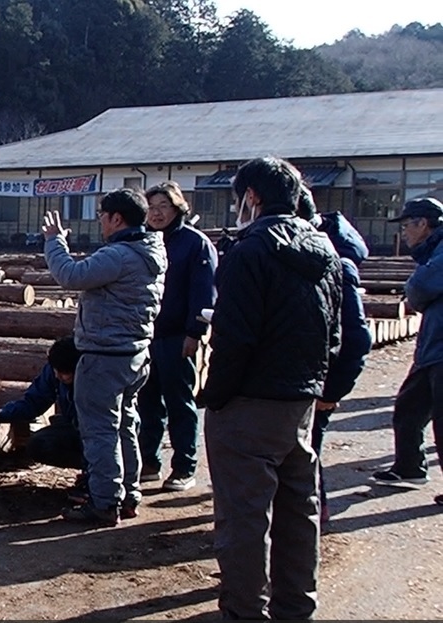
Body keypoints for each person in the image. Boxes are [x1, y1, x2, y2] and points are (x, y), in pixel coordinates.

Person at [198, 156, 342, 620]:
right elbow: (335, 334)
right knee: (299, 511)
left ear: (252, 197)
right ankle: (296, 608)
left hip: (249, 403)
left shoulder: (249, 252)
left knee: (242, 519)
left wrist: (214, 396)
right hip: (299, 401)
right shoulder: (325, 251)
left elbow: (234, 337)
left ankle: (244, 612)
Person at [42, 188, 166, 526]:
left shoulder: (119, 256)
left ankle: (104, 502)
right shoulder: (151, 250)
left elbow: (69, 275)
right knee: (125, 424)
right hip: (135, 352)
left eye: (102, 216)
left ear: (117, 218)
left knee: (99, 431)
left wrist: (54, 241)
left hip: (104, 355)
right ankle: (128, 493)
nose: (100, 223)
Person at [137, 181, 218, 492]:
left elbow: (204, 292)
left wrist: (195, 332)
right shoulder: (144, 241)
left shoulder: (194, 244)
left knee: (179, 404)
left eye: (163, 207)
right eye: (152, 208)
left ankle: (184, 466)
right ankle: (149, 461)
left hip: (177, 336)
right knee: (147, 403)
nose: (157, 213)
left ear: (178, 208)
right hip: (146, 335)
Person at [297, 187, 371, 521]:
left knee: (306, 450)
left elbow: (356, 338)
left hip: (317, 382)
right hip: (301, 376)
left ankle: (313, 513)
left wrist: (334, 388)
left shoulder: (334, 264)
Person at [371, 197, 443, 506]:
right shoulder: (432, 252)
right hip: (432, 348)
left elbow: (419, 289)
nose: (403, 234)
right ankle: (409, 467)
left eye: (406, 226)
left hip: (441, 349)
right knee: (409, 408)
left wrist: (416, 290)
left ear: (423, 224)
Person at [0, 336, 89, 502]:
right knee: (39, 444)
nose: (57, 376)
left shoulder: (95, 376)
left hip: (106, 430)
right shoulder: (55, 369)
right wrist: (2, 414)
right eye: (55, 371)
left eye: (63, 374)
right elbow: (34, 402)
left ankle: (101, 476)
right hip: (76, 425)